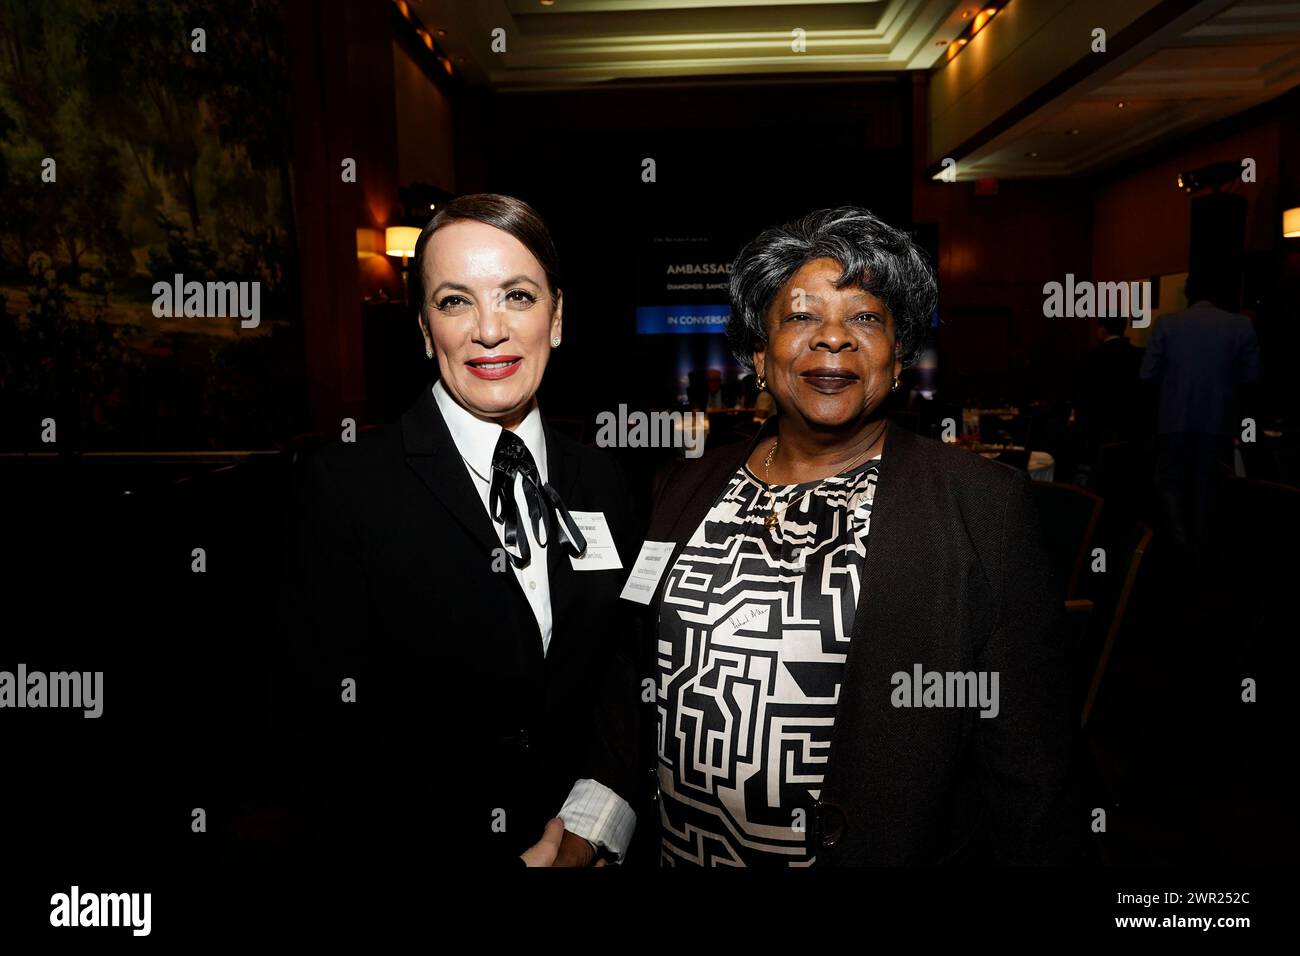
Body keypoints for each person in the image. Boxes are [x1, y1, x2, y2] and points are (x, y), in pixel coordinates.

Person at [641, 207, 1072, 866]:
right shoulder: (682, 488)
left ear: (897, 358)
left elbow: (1029, 762)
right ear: (759, 353)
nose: (834, 339)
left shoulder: (983, 505)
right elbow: (628, 672)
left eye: (865, 318)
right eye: (802, 317)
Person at [282, 194, 641, 867]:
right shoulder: (344, 488)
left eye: (517, 296)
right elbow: (329, 730)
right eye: (455, 302)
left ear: (557, 318)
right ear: (424, 329)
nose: (488, 330)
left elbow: (624, 671)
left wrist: (592, 827)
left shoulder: (609, 479)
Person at [1140, 272, 1262, 565]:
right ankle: (1204, 547)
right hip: (1218, 419)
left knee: (1170, 481)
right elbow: (1253, 375)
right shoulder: (1240, 325)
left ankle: (1180, 540)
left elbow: (1147, 374)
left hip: (1174, 418)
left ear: (1188, 293)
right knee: (1210, 483)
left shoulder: (1168, 324)